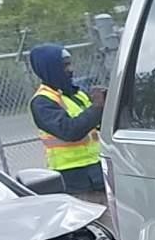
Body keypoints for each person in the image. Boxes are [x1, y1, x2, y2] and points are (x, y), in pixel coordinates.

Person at [27, 43, 106, 197]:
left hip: (97, 168)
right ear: (50, 68)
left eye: (69, 64)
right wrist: (97, 107)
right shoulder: (42, 101)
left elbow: (96, 125)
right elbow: (70, 131)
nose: (70, 70)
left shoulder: (76, 94)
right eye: (64, 66)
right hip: (72, 177)